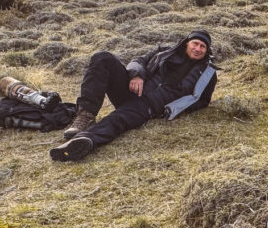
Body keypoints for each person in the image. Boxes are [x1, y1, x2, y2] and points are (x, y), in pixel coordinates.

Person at [50, 30, 217, 161]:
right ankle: (85, 116)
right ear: (187, 43)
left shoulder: (208, 74)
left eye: (203, 47)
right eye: (195, 43)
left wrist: (174, 108)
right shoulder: (166, 51)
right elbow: (139, 60)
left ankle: (83, 142)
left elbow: (203, 101)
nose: (197, 49)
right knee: (103, 58)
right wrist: (136, 75)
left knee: (117, 119)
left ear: (207, 50)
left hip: (149, 105)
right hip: (132, 89)